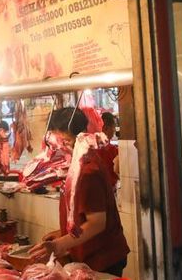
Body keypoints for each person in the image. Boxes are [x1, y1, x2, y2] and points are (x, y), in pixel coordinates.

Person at [29, 107, 130, 276]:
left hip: (102, 258)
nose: (57, 148)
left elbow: (96, 223)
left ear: (74, 138)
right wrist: (61, 234)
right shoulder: (76, 164)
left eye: (62, 141)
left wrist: (59, 245)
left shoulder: (87, 171)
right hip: (89, 255)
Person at [98, 112, 119, 187]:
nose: (114, 131)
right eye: (113, 127)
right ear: (106, 128)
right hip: (109, 188)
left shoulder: (91, 147)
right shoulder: (111, 149)